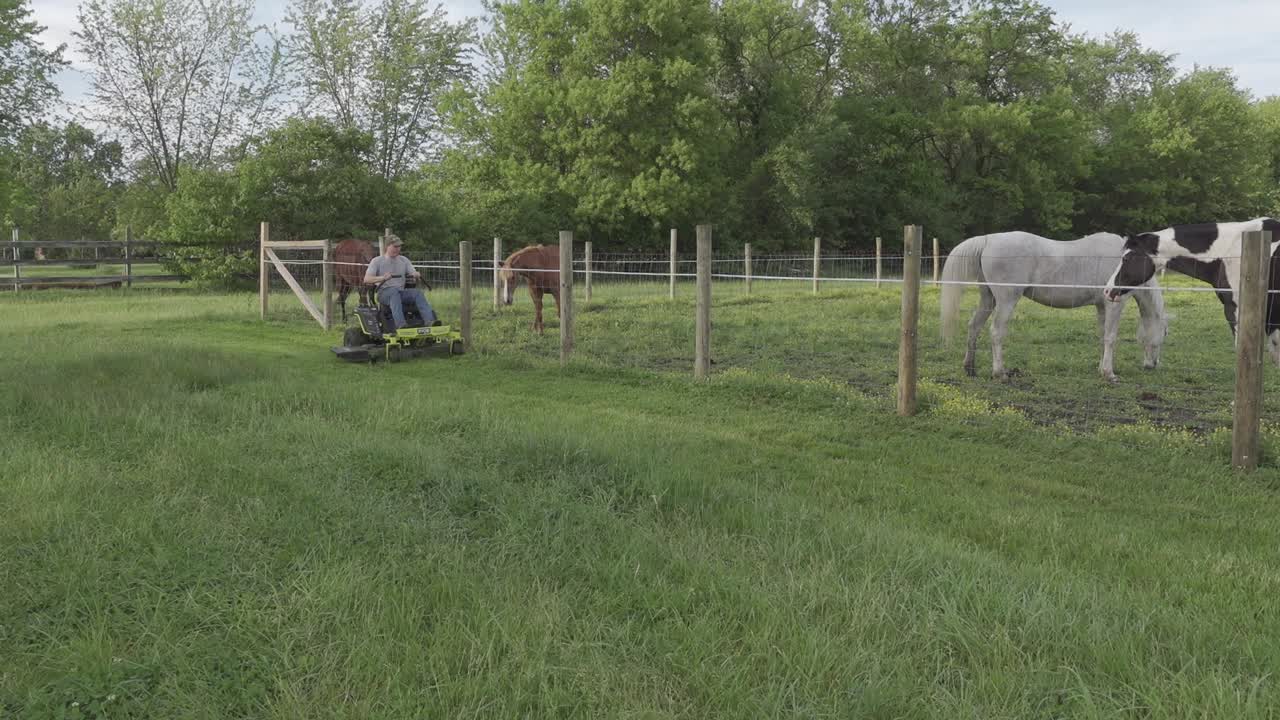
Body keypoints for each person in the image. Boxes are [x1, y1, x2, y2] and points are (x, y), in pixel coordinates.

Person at [363, 235, 437, 330]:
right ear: (387, 246)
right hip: (384, 293)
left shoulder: (404, 260)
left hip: (400, 292)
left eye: (399, 246)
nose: (398, 249)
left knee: (417, 293)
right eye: (395, 246)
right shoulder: (377, 261)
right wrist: (382, 278)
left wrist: (415, 274)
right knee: (394, 292)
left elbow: (412, 272)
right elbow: (366, 279)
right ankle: (401, 325)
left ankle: (430, 322)